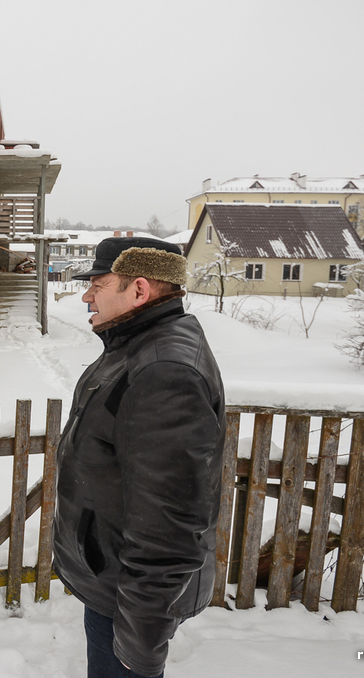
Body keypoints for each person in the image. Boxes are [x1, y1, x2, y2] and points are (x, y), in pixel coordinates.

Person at [53, 237, 225, 678]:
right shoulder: (136, 347)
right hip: (113, 583)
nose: (87, 295)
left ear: (140, 290)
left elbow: (170, 525)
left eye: (99, 283)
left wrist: (140, 641)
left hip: (128, 603)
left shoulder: (162, 371)